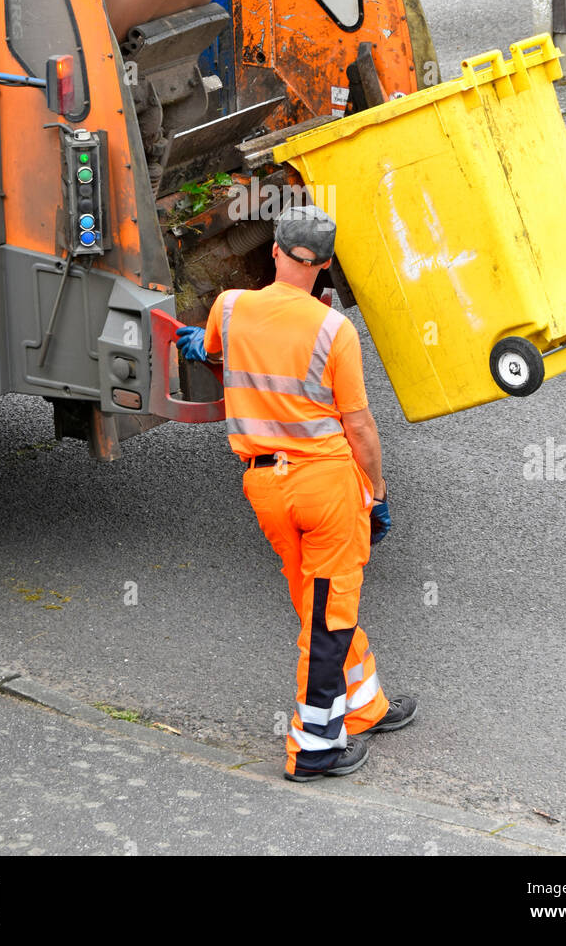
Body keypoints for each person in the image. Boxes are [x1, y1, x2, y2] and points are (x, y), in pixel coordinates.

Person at [176, 204, 417, 782]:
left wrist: (195, 345)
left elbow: (210, 349)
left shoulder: (230, 308)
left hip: (265, 485)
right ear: (326, 265)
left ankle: (364, 706)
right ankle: (313, 748)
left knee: (316, 601)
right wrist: (377, 493)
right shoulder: (334, 331)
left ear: (277, 251)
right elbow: (358, 425)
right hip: (327, 485)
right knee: (329, 615)